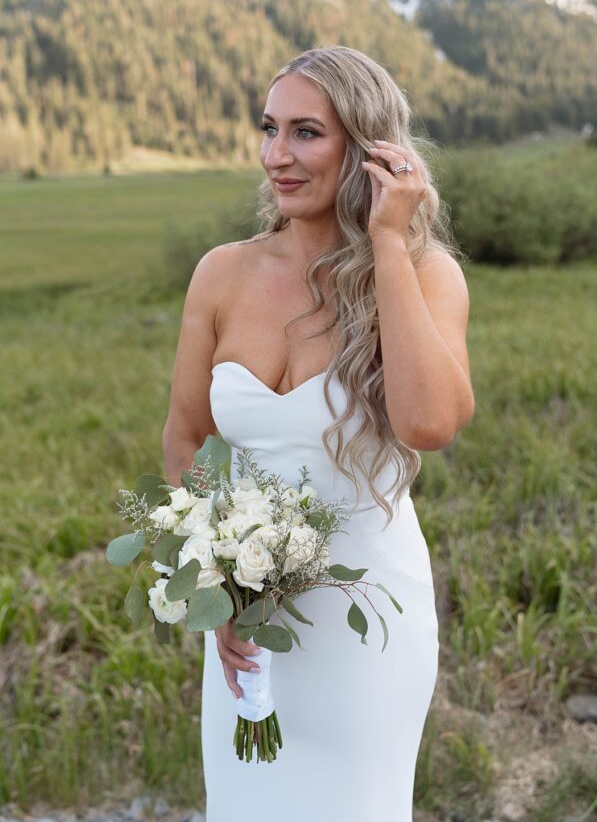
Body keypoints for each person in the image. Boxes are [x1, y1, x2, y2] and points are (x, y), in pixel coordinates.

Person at [162, 45, 475, 821]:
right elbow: (188, 438)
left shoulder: (425, 274)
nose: (276, 155)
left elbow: (429, 423)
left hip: (367, 621)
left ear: (366, 148)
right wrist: (218, 583)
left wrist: (388, 245)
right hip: (247, 620)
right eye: (270, 129)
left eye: (306, 133)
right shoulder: (222, 273)